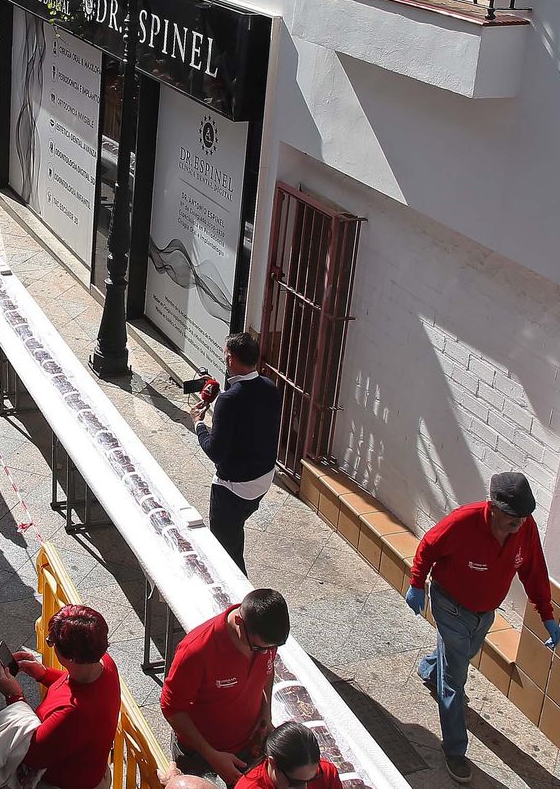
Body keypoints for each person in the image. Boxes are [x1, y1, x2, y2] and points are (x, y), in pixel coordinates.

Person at [408, 472, 556, 784]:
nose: (520, 523)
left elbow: (534, 570)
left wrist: (547, 615)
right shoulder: (464, 522)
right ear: (494, 508)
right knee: (455, 679)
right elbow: (429, 546)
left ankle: (430, 669)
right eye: (513, 516)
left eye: (525, 516)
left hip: (485, 612)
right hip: (450, 605)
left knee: (460, 656)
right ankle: (455, 751)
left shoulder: (524, 528)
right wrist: (417, 584)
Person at [160, 588, 289, 784]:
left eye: (271, 648)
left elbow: (267, 670)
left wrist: (266, 714)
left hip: (247, 745)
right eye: (258, 647)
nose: (266, 652)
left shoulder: (263, 638)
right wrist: (211, 755)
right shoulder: (196, 651)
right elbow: (171, 708)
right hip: (200, 755)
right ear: (239, 621)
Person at [0, 604, 122, 789]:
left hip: (61, 782)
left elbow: (33, 754)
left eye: (51, 641)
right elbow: (76, 684)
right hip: (92, 771)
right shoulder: (105, 663)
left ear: (70, 657)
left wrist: (14, 696)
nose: (50, 644)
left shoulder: (73, 713)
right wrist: (44, 674)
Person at [190, 332, 281, 572]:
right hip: (263, 478)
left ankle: (241, 592)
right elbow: (247, 412)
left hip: (234, 488)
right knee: (235, 533)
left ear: (230, 359)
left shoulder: (229, 401)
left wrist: (199, 424)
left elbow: (215, 452)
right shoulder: (270, 387)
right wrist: (221, 397)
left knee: (226, 552)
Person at [235, 722, 343, 789]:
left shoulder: (326, 772)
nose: (304, 788)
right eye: (295, 783)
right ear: (273, 763)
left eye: (312, 779)